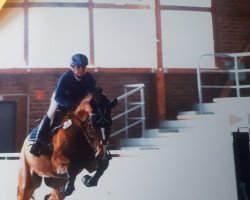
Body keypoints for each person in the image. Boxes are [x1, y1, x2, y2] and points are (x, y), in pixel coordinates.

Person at [30, 53, 96, 157]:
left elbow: (94, 91)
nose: (81, 70)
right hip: (60, 99)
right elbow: (57, 97)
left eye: (83, 67)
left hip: (77, 101)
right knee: (50, 114)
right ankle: (37, 143)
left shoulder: (89, 78)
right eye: (78, 67)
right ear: (72, 67)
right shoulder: (66, 77)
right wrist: (72, 106)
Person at [89, 85, 118, 160]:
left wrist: (114, 102)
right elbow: (91, 109)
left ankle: (105, 152)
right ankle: (97, 150)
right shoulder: (91, 102)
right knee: (97, 137)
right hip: (96, 121)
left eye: (99, 93)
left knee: (105, 138)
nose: (97, 95)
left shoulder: (105, 100)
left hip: (106, 121)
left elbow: (109, 106)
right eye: (95, 94)